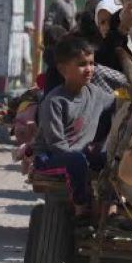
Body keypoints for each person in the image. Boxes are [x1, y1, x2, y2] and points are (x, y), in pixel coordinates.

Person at [33, 36, 116, 223]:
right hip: (51, 157)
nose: (89, 69)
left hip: (81, 155)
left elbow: (118, 104)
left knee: (111, 160)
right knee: (77, 161)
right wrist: (85, 158)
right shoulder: (54, 101)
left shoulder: (96, 93)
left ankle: (111, 209)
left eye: (91, 63)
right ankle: (81, 208)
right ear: (62, 69)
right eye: (81, 64)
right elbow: (56, 143)